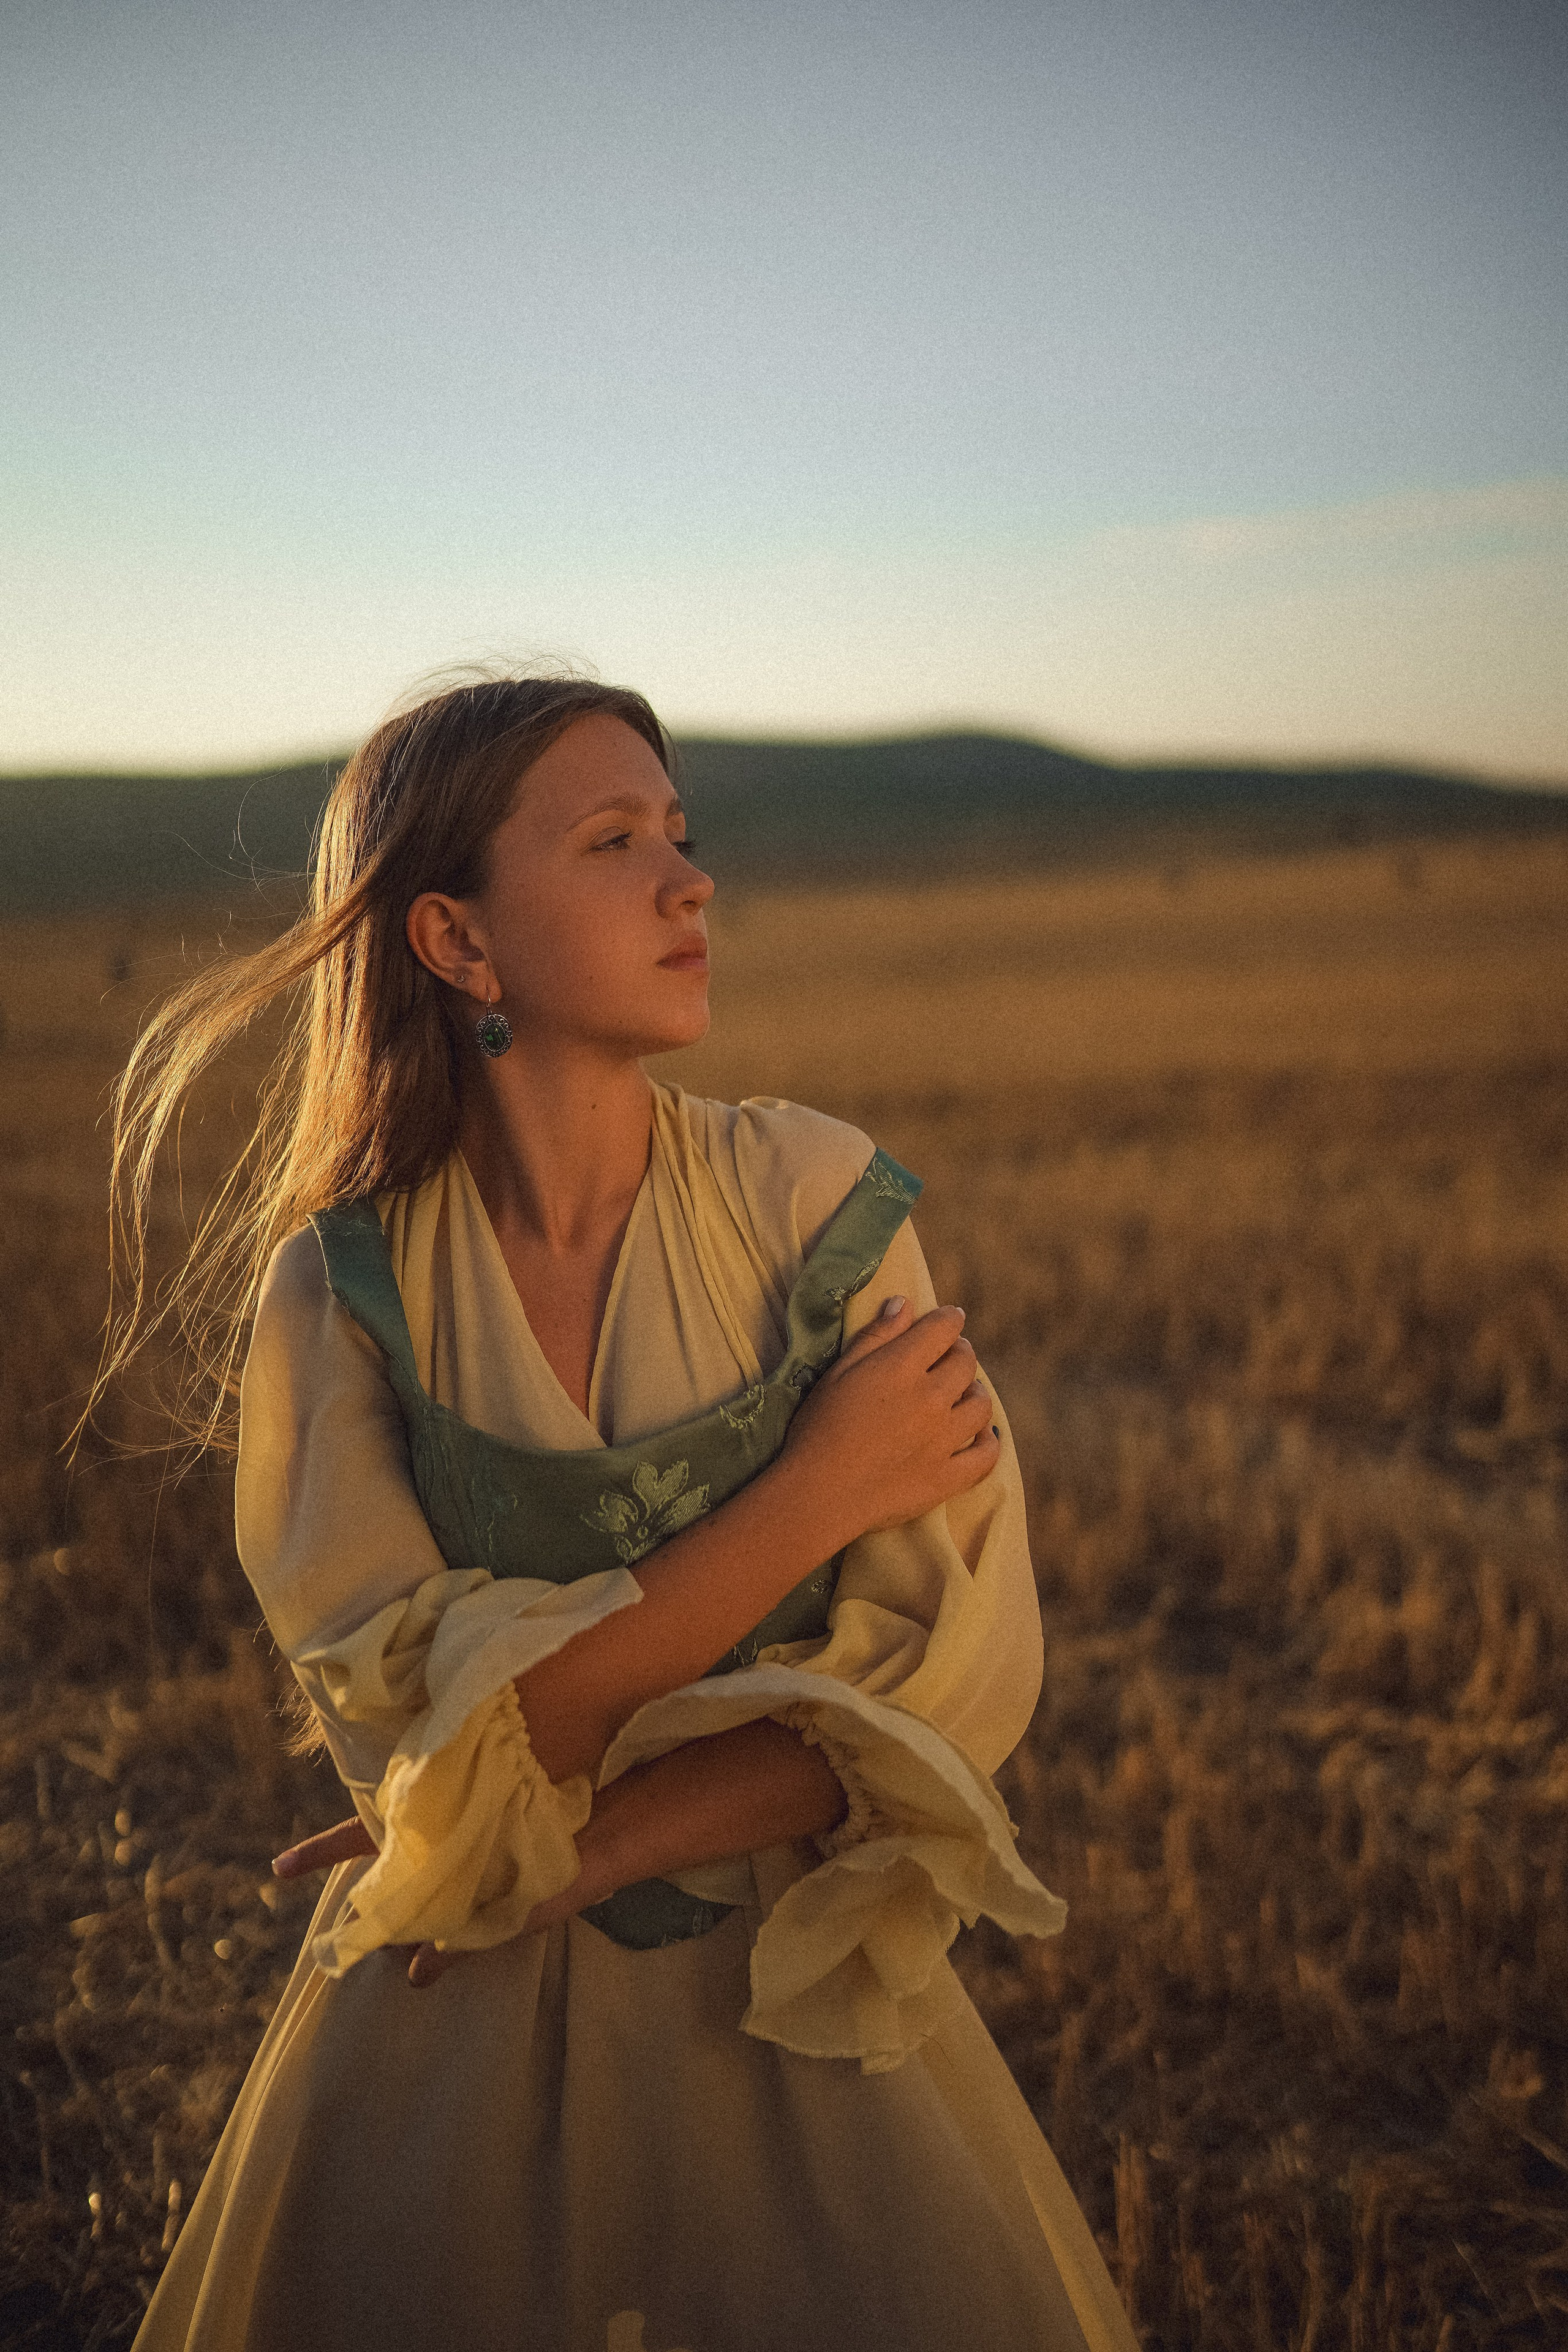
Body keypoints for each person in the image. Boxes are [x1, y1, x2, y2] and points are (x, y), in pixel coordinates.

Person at [105, 673, 1137, 2352]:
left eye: (682, 833)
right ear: (457, 942)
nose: (690, 880)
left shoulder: (811, 1200)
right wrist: (814, 1494)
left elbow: (944, 1687)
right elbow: (439, 1750)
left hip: (792, 2012)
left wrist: (574, 1841)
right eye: (612, 840)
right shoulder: (342, 1295)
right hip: (440, 2028)